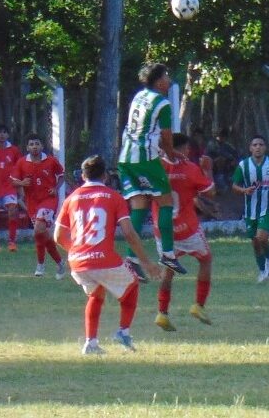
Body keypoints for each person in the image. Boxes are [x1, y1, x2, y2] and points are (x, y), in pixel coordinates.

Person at [54, 155, 163, 354]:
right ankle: (123, 331)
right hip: (103, 259)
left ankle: (91, 343)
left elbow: (58, 236)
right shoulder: (114, 197)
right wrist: (146, 263)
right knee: (132, 285)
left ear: (83, 176)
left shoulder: (71, 198)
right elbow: (129, 233)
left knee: (96, 294)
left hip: (77, 262)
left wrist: (77, 252)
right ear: (105, 176)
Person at [117, 62, 188, 278]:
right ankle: (167, 253)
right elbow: (167, 135)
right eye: (166, 76)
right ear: (159, 81)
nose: (169, 80)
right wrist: (171, 152)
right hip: (145, 159)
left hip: (126, 159)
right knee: (166, 201)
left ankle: (131, 259)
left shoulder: (139, 96)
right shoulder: (162, 103)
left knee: (138, 206)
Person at [151, 133, 216, 331]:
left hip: (163, 230)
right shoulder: (190, 168)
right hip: (188, 229)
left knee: (167, 271)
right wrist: (207, 170)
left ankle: (162, 313)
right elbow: (210, 192)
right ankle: (198, 305)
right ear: (177, 149)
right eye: (186, 149)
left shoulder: (155, 167)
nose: (188, 152)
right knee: (205, 260)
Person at [232, 135, 269, 283]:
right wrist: (244, 190)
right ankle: (263, 271)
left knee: (261, 237)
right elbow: (234, 185)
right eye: (255, 144)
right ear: (250, 148)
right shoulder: (243, 165)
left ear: (265, 147)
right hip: (251, 210)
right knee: (255, 243)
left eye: (261, 144)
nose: (258, 147)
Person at [11, 133, 65, 278]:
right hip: (32, 202)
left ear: (42, 146)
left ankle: (40, 265)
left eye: (37, 144)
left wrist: (56, 188)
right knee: (42, 234)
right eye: (31, 144)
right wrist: (22, 183)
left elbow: (61, 175)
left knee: (38, 230)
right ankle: (60, 263)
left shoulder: (51, 161)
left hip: (48, 199)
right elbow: (13, 181)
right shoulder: (22, 162)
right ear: (27, 147)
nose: (35, 147)